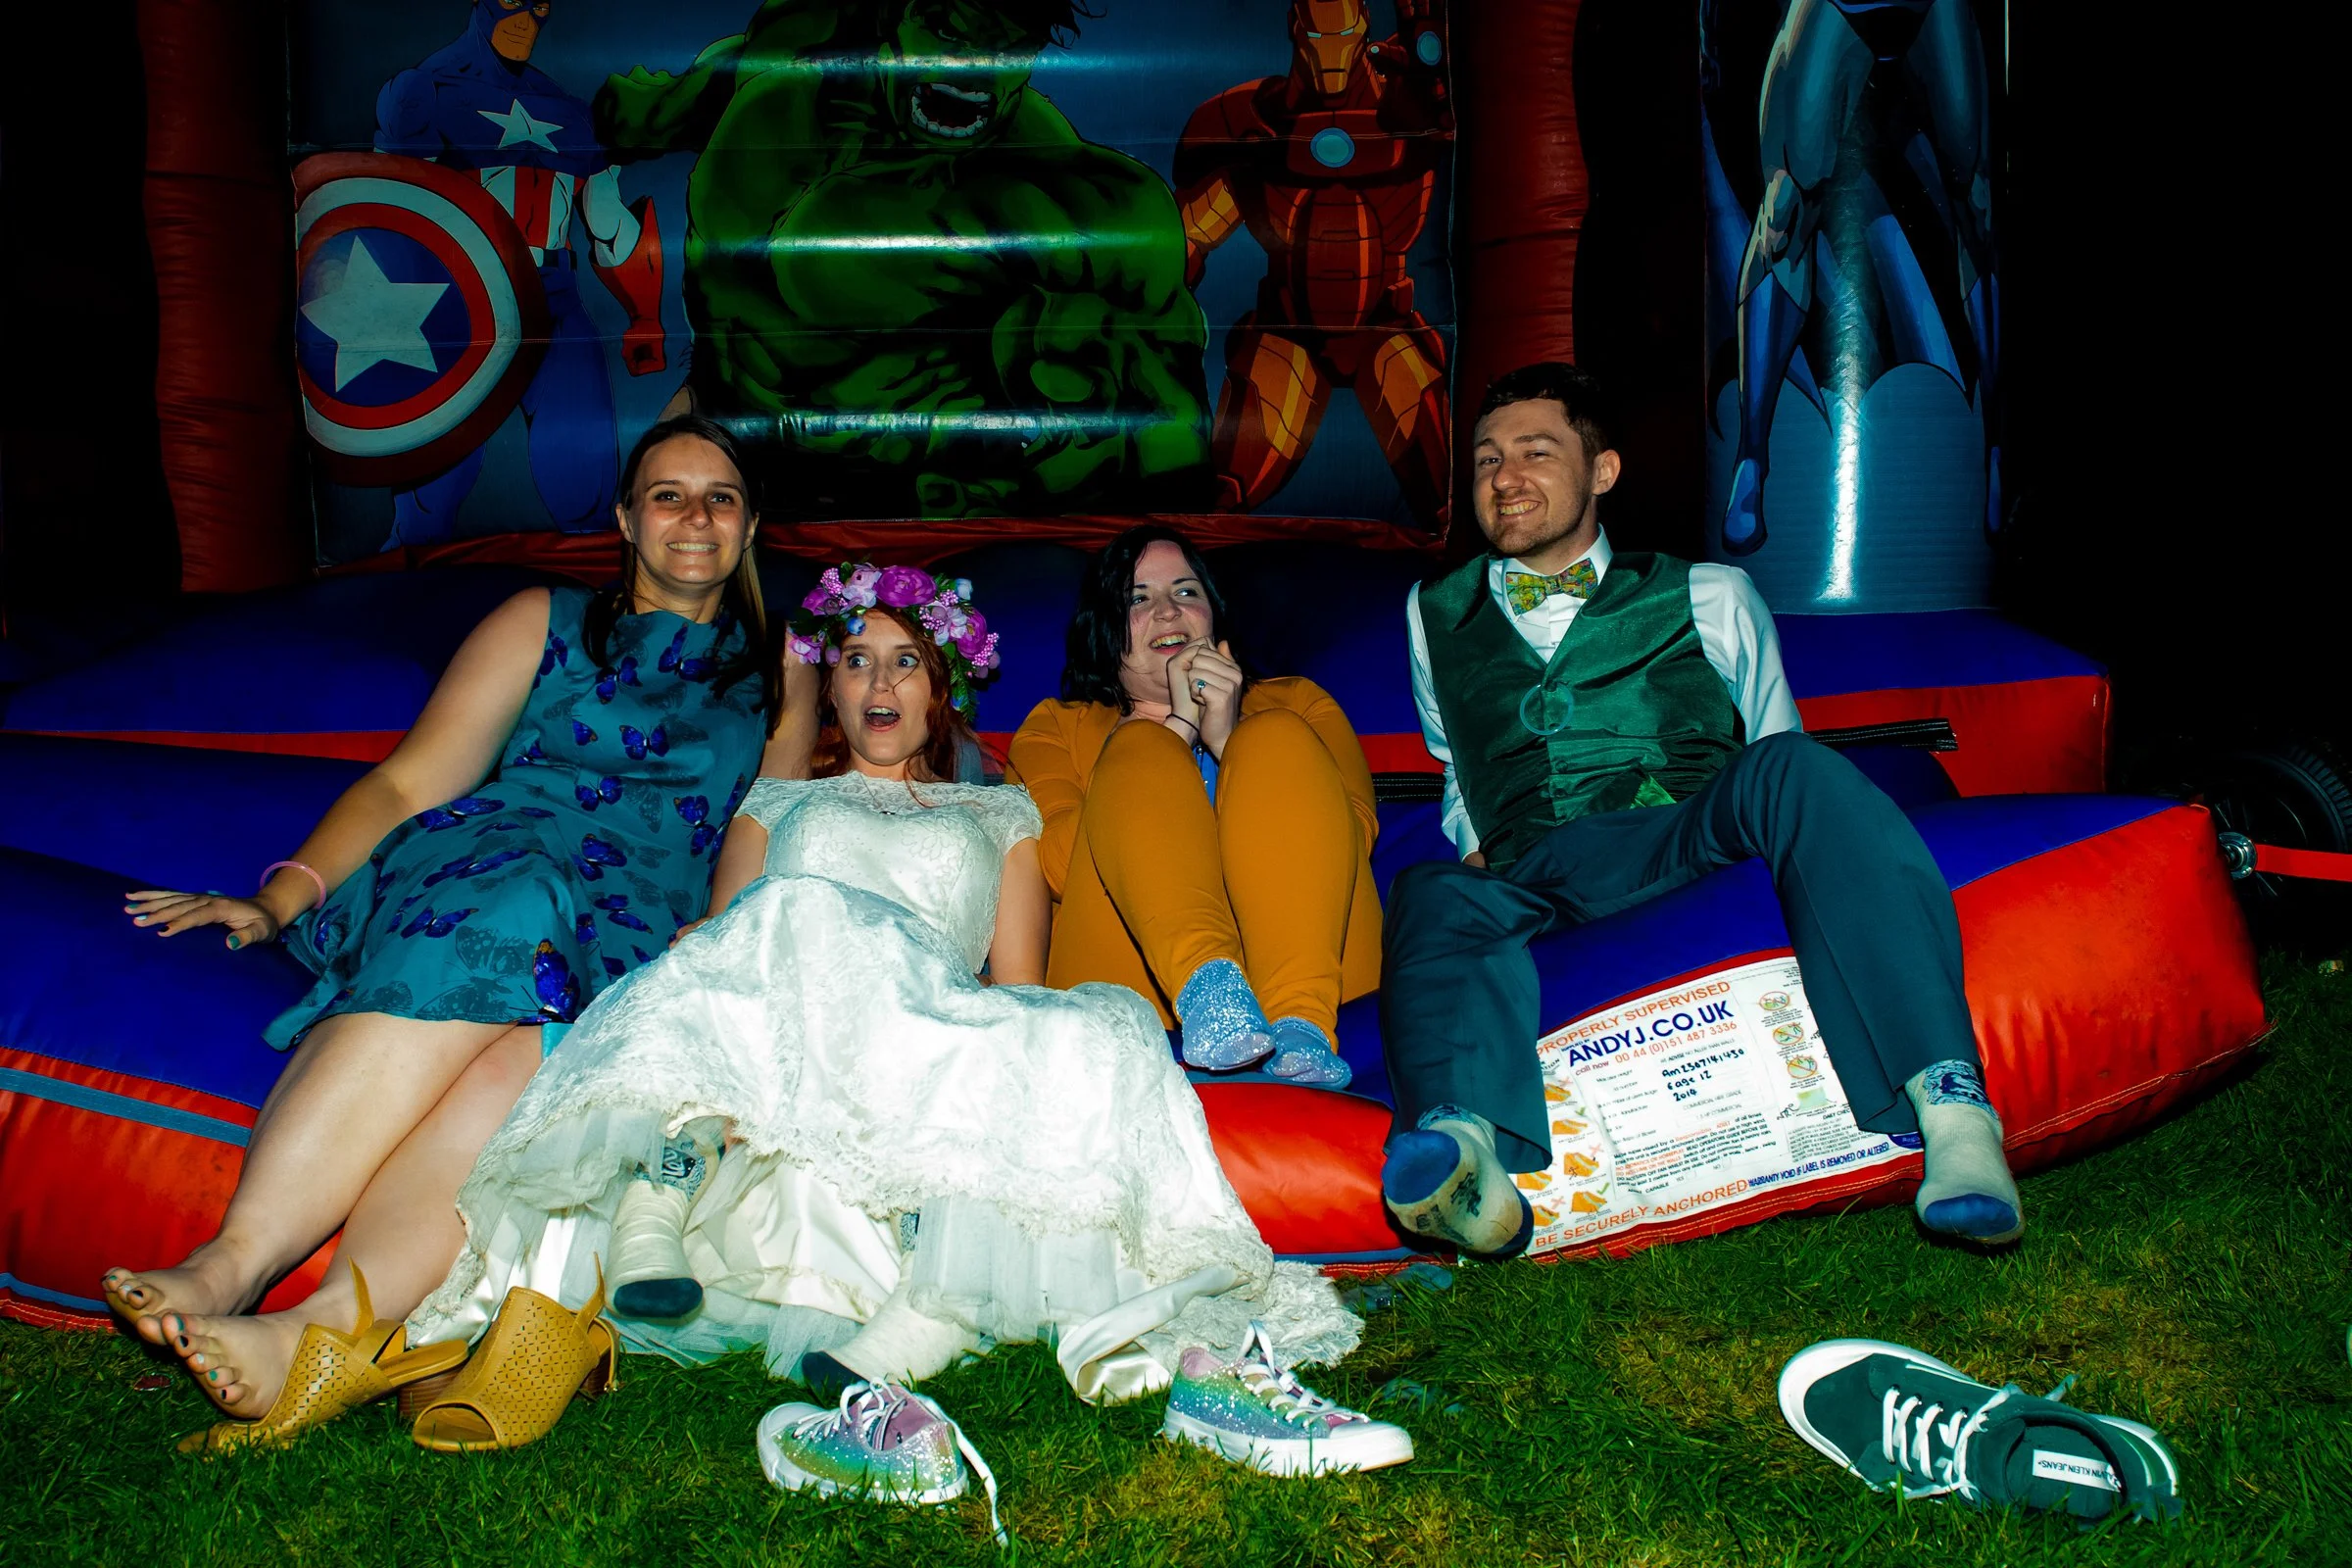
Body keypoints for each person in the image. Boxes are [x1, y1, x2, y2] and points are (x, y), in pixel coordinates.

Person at [403, 564, 1411, 1483]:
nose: (880, 684)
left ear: (940, 690)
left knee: (1098, 1023)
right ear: (831, 689)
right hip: (779, 1039)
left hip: (919, 1027)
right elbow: (713, 948)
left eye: (905, 663)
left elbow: (1016, 983)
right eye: (856, 661)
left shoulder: (1000, 817)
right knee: (782, 912)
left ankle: (975, 1338)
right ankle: (658, 1197)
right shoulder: (778, 802)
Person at [102, 415, 813, 1447]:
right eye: (668, 493)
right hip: (491, 865)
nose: (694, 516)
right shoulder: (545, 619)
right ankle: (229, 1264)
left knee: (528, 1067)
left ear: (750, 527)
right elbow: (407, 777)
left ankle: (312, 1332)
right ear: (625, 517)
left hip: (632, 933)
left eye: (720, 497)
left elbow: (768, 815)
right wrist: (280, 898)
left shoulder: (780, 666)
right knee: (513, 910)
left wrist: (712, 953)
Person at [1379, 362, 2023, 1259]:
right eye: (1487, 460)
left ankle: (1953, 1114)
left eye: (1535, 452)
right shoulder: (1429, 613)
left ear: (1602, 471)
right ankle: (1465, 1153)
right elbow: (1455, 764)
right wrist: (1476, 843)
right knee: (1428, 888)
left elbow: (1774, 743)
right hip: (1530, 872)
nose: (1504, 479)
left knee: (1793, 767)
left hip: (1674, 839)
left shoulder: (1712, 592)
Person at [1006, 525, 1380, 1089]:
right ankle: (1211, 993)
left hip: (1320, 987)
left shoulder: (1299, 700)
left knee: (1275, 733)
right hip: (1132, 993)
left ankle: (1300, 1024)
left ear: (1214, 617)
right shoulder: (1057, 726)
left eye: (1186, 592)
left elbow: (1351, 840)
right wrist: (1174, 732)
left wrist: (1229, 739)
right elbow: (1057, 869)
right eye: (1137, 598)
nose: (1167, 612)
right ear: (1103, 627)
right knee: (1139, 744)